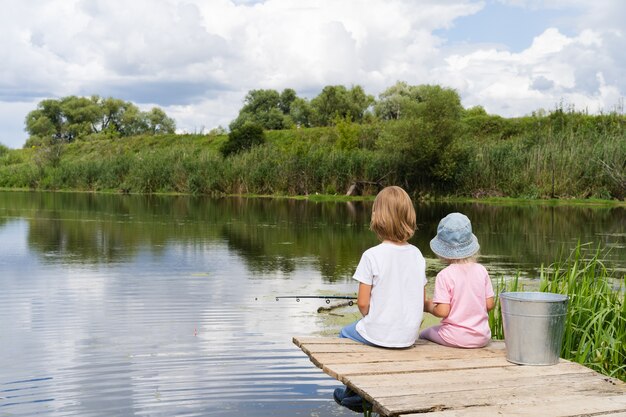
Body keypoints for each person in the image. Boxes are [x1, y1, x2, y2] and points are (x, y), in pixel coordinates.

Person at [334, 186, 427, 412]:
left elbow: (363, 303)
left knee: (343, 334)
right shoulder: (417, 254)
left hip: (380, 333)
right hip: (408, 336)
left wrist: (371, 318)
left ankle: (354, 393)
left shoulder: (371, 255)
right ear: (409, 217)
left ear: (377, 216)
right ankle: (356, 393)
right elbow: (421, 300)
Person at [420, 212, 495, 348]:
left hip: (455, 337)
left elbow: (443, 311)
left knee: (424, 333)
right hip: (482, 337)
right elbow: (489, 304)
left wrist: (428, 306)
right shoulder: (481, 270)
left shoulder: (445, 275)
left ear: (443, 250)